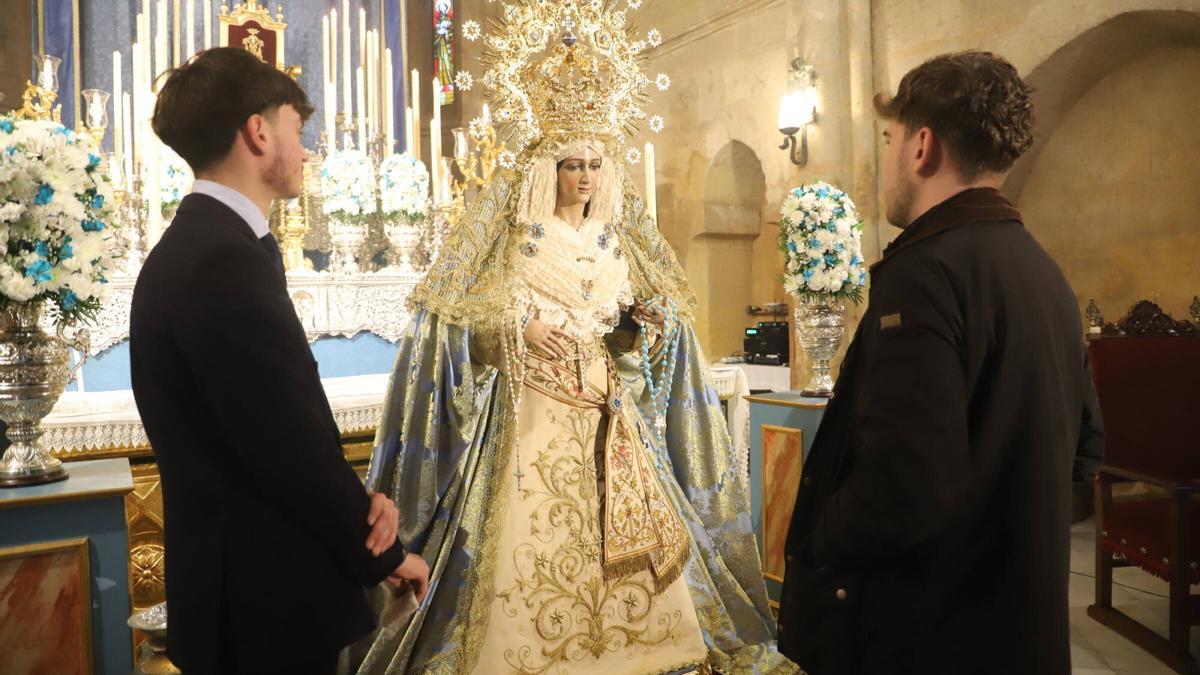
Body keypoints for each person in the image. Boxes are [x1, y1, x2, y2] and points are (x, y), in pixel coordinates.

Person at [353, 13, 796, 675]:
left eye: (594, 163)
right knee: (526, 553)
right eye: (570, 164)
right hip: (529, 416)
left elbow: (650, 322)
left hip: (608, 414)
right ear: (546, 165)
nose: (585, 177)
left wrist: (643, 323)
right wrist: (514, 330)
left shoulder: (618, 235)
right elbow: (450, 319)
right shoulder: (510, 228)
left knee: (640, 557)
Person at [778, 50, 1104, 675]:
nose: (889, 155)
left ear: (922, 146)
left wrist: (822, 543)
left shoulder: (924, 273)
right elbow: (1086, 450)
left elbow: (903, 481)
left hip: (932, 631)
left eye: (890, 137)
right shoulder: (1045, 272)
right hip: (1017, 625)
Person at [129, 47, 429, 675]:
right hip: (262, 602)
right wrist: (380, 549)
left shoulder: (206, 245)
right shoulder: (221, 260)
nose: (307, 150)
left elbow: (272, 425)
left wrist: (359, 506)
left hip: (247, 589)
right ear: (258, 131)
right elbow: (283, 442)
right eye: (298, 128)